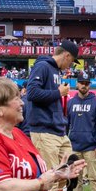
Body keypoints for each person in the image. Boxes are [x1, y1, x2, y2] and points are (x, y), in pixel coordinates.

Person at [24, 41, 80, 173]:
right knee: (51, 179)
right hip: (44, 131)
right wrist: (58, 92)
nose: (70, 66)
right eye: (71, 61)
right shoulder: (42, 66)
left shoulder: (55, 70)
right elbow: (31, 93)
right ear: (66, 55)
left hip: (58, 130)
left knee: (67, 174)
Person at [66, 74, 96, 191]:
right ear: (77, 84)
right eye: (81, 83)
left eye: (87, 83)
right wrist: (66, 143)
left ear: (89, 85)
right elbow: (66, 124)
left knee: (94, 177)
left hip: (90, 146)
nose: (84, 85)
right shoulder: (71, 103)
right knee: (75, 178)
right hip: (74, 145)